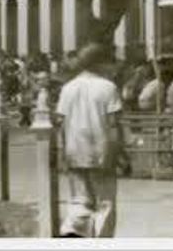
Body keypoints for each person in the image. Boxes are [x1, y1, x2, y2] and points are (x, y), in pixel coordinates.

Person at [56, 43, 124, 238]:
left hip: (74, 152)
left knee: (79, 200)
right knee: (105, 203)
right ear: (99, 64)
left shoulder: (68, 88)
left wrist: (62, 153)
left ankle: (73, 231)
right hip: (102, 152)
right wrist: (118, 153)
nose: (112, 67)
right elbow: (113, 125)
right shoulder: (108, 88)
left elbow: (61, 123)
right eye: (109, 62)